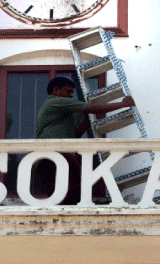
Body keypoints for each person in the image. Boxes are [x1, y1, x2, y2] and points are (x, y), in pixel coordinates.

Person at [34, 76, 135, 204]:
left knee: (65, 200)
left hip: (44, 160)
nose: (71, 95)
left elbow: (76, 134)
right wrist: (123, 104)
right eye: (68, 91)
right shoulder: (55, 101)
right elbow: (92, 108)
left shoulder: (65, 114)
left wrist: (88, 119)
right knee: (76, 188)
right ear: (56, 90)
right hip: (55, 155)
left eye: (72, 92)